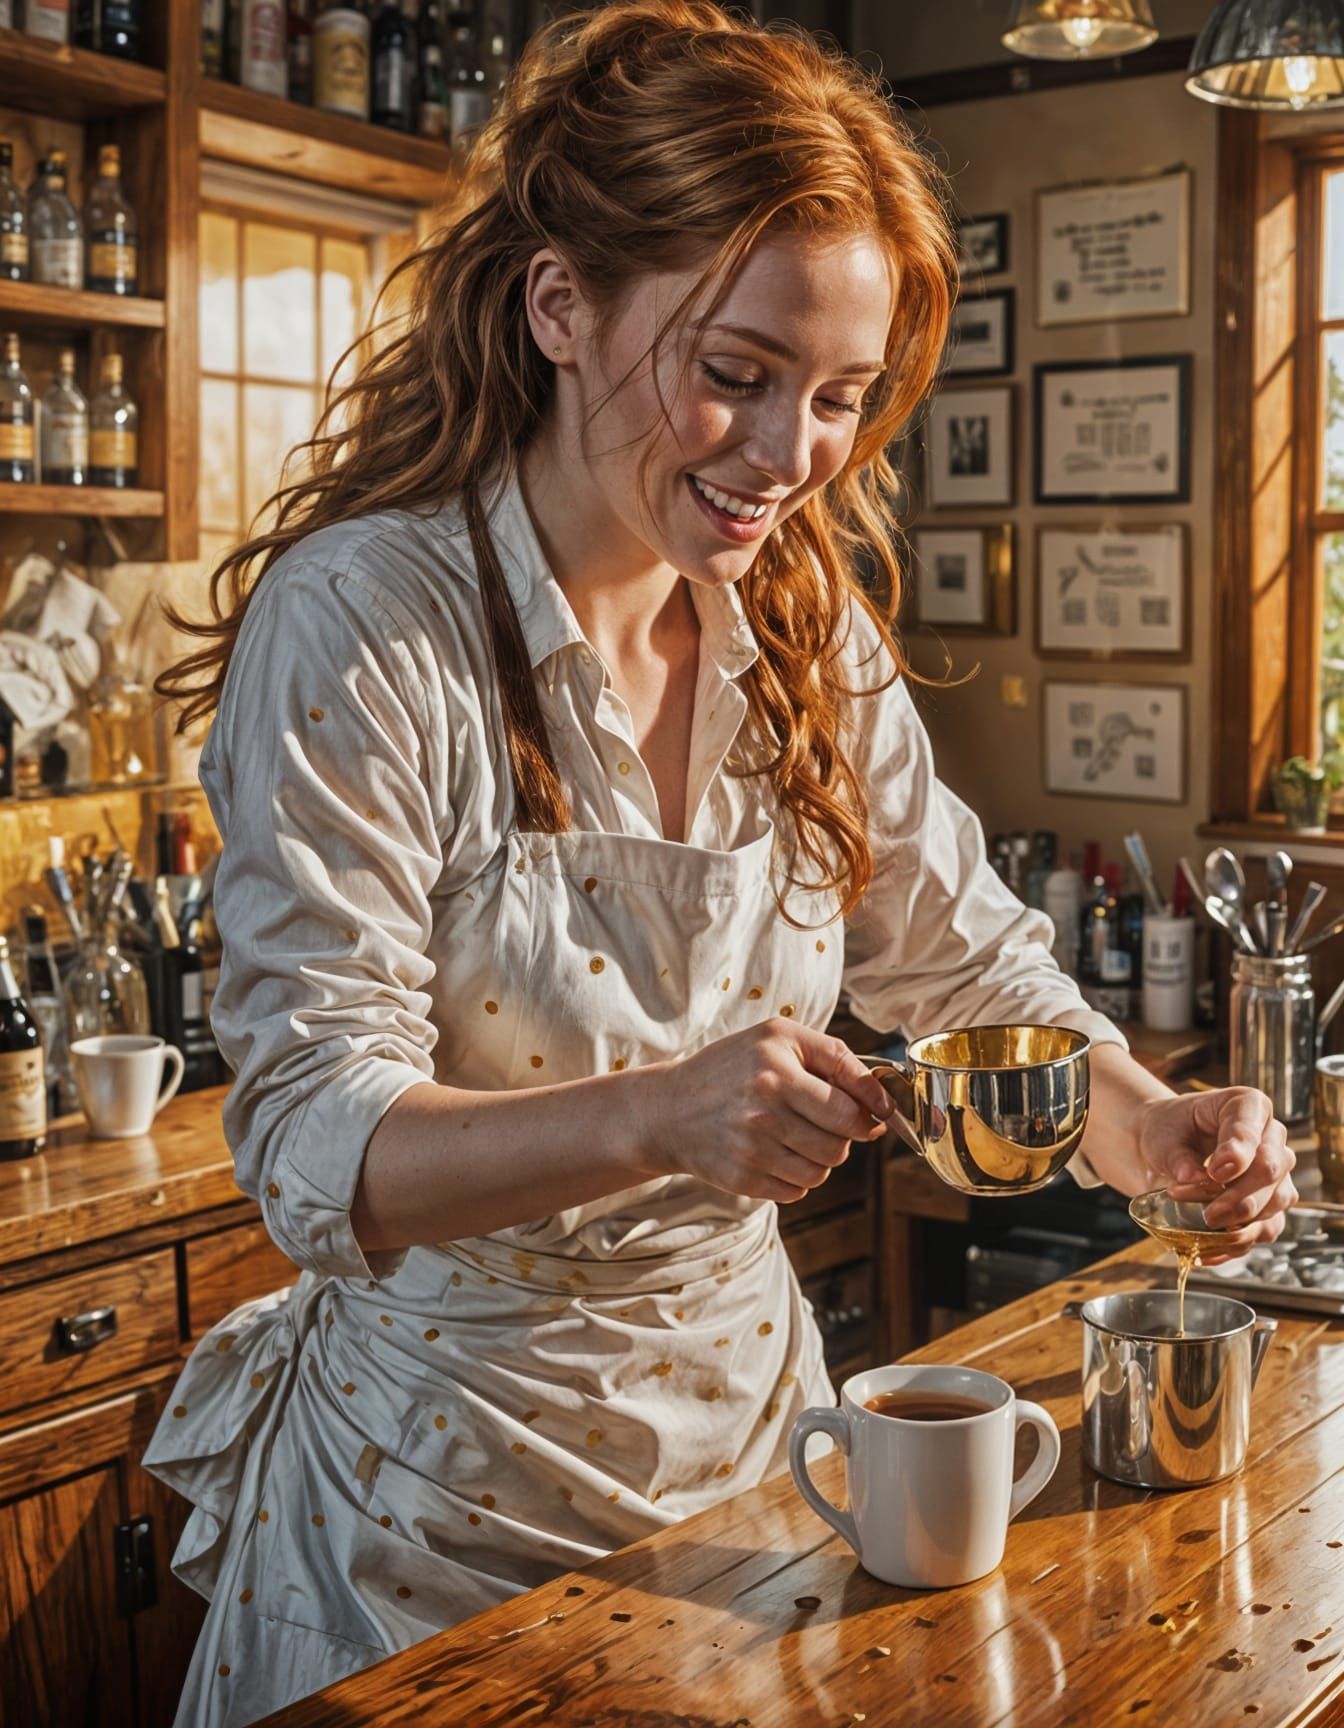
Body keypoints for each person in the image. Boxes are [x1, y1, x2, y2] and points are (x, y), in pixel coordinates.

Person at [146, 5, 1297, 1722]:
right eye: (736, 375)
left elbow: (969, 962)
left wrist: (1150, 1133)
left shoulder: (799, 621)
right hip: (423, 1516)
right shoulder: (369, 621)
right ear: (558, 305)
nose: (790, 458)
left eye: (839, 398)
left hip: (765, 1485)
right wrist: (654, 1114)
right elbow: (311, 1139)